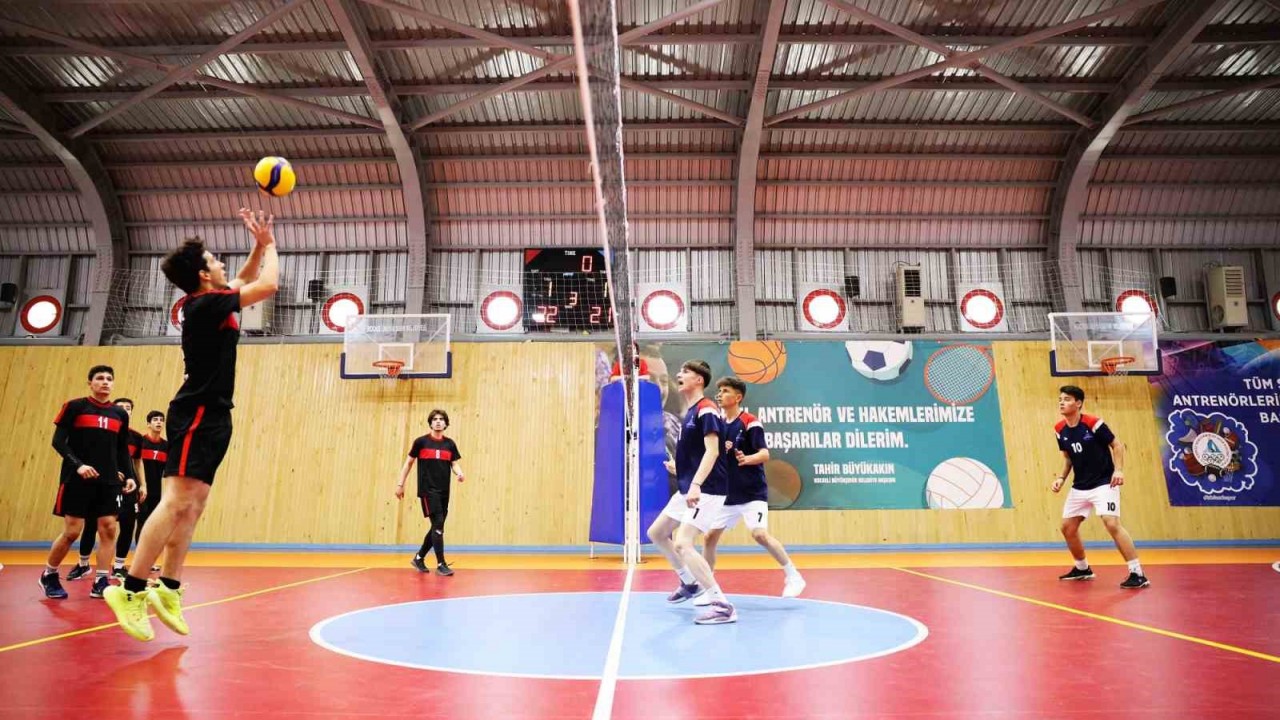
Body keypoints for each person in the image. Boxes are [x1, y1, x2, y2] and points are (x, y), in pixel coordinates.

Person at [104, 208, 279, 641]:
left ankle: (169, 587)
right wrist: (271, 245)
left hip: (215, 412)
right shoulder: (204, 305)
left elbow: (243, 276)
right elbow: (268, 285)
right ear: (203, 275)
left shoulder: (209, 299)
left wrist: (257, 246)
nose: (221, 264)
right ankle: (130, 589)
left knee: (194, 504)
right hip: (197, 411)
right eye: (214, 260)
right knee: (175, 501)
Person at [645, 360, 737, 625]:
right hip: (689, 487)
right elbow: (698, 455)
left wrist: (695, 484)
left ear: (699, 380)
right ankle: (689, 582)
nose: (679, 374)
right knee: (657, 533)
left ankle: (722, 605)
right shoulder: (690, 413)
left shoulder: (706, 410)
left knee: (683, 543)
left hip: (707, 489)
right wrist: (681, 469)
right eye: (680, 371)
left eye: (685, 372)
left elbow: (713, 451)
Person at [701, 377, 805, 598]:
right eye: (719, 391)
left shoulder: (750, 422)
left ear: (738, 397)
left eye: (725, 391)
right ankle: (709, 588)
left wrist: (747, 459)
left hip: (751, 493)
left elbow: (764, 454)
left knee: (759, 534)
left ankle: (793, 575)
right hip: (727, 495)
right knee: (709, 537)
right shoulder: (717, 425)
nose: (719, 394)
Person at [40, 366, 137, 601]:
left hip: (109, 482)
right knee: (72, 531)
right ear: (90, 383)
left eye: (109, 379)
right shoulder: (75, 407)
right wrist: (79, 465)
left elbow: (122, 449)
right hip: (77, 479)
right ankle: (49, 574)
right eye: (100, 378)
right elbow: (58, 442)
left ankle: (101, 581)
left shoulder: (119, 414)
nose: (105, 382)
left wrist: (130, 475)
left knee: (109, 528)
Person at [1052, 385, 1149, 589]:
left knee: (1111, 523)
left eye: (1067, 399)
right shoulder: (1059, 429)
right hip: (1080, 486)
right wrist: (1061, 478)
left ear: (1078, 403)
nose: (1062, 402)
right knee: (1067, 528)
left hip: (1104, 483)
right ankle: (1082, 568)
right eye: (1060, 399)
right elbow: (1068, 458)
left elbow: (1117, 445)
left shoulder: (1093, 423)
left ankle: (1137, 573)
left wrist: (1118, 470)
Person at [66, 397, 144, 580]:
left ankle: (118, 567)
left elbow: (136, 463)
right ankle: (83, 564)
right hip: (106, 483)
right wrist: (111, 472)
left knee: (127, 524)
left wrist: (141, 483)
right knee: (92, 524)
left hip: (128, 486)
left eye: (128, 408)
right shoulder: (103, 431)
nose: (124, 410)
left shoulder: (136, 437)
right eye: (121, 407)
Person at [396, 409, 466, 576]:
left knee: (437, 526)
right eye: (435, 419)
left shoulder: (450, 444)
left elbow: (454, 463)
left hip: (444, 492)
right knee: (439, 523)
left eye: (441, 419)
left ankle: (419, 558)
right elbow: (408, 463)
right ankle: (441, 564)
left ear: (446, 423)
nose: (438, 421)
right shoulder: (421, 442)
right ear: (430, 423)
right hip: (428, 490)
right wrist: (400, 484)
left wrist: (459, 473)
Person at [132, 410, 168, 576]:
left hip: (156, 492)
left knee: (153, 526)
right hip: (141, 490)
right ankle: (139, 560)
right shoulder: (141, 442)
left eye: (161, 420)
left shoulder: (166, 446)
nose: (159, 422)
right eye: (155, 420)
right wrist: (141, 486)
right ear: (148, 423)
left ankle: (148, 560)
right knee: (141, 523)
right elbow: (135, 465)